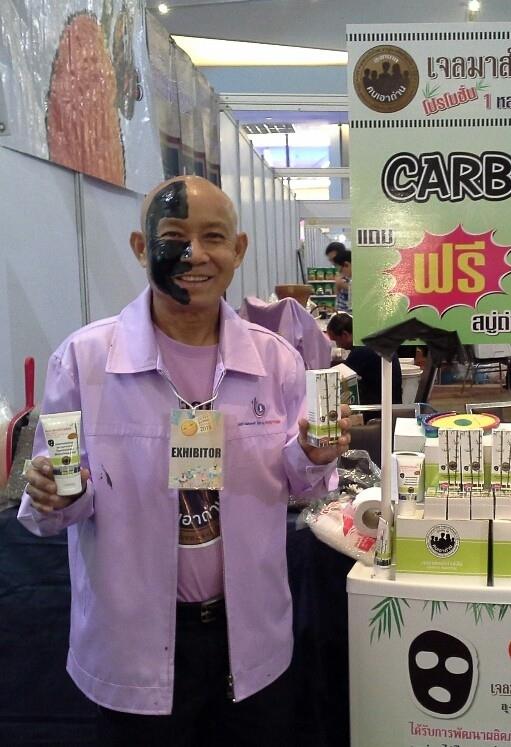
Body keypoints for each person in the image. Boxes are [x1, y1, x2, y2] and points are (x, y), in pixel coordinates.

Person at [18, 176, 350, 746]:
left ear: (238, 250)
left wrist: (314, 455)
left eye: (213, 237)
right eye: (174, 236)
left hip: (249, 636)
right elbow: (58, 504)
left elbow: (301, 485)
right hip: (132, 641)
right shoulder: (84, 360)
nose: (194, 254)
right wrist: (55, 492)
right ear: (141, 247)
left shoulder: (275, 361)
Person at [326, 313, 401, 406]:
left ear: (345, 335)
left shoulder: (361, 349)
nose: (337, 345)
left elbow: (336, 378)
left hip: (380, 407)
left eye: (336, 340)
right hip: (392, 401)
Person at [333, 249, 352, 313]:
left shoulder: (359, 278)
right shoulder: (345, 279)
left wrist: (343, 285)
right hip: (341, 315)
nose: (341, 273)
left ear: (346, 265)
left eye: (341, 270)